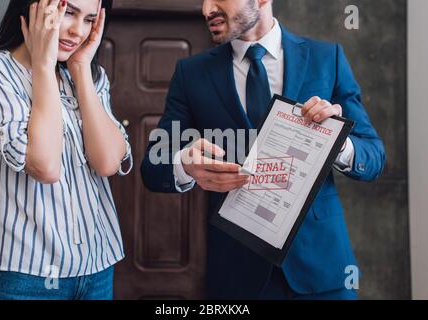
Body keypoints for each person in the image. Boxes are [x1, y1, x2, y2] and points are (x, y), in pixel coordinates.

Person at [141, 0, 386, 299]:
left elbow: (373, 157)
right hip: (237, 274)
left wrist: (336, 142)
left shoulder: (327, 58)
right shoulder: (191, 73)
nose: (206, 9)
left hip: (323, 270)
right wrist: (184, 165)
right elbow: (153, 167)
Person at [0, 0, 132, 300]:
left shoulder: (92, 77)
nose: (78, 31)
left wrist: (81, 69)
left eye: (89, 20)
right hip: (22, 274)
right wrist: (44, 66)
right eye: (69, 13)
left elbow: (107, 163)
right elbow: (45, 165)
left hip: (96, 267)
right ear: (34, 8)